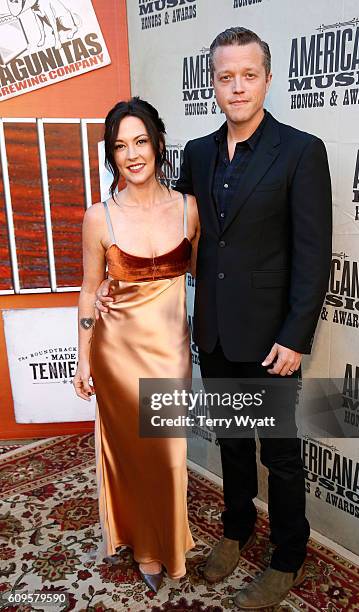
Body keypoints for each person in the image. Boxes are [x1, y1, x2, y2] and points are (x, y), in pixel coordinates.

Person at [96, 27, 332, 610]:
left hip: (273, 338)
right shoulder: (198, 154)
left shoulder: (302, 151)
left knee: (279, 453)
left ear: (268, 79)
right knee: (231, 444)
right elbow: (160, 223)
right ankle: (234, 531)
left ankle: (287, 558)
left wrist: (296, 336)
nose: (237, 86)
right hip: (216, 333)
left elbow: (313, 253)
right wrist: (111, 279)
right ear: (213, 82)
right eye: (225, 76)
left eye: (248, 74)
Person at [73, 97, 199, 593]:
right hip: (117, 353)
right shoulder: (98, 217)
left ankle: (169, 540)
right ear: (111, 155)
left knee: (166, 455)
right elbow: (89, 287)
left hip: (169, 350)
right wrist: (84, 358)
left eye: (140, 141)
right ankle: (147, 548)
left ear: (159, 144)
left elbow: (213, 275)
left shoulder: (189, 209)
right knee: (133, 455)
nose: (132, 154)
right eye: (120, 146)